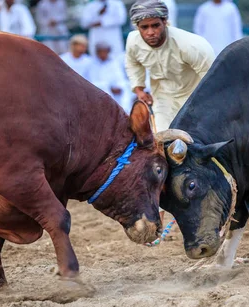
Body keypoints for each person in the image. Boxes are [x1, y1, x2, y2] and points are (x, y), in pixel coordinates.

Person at [126, 0, 215, 225]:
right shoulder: (133, 42)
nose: (150, 32)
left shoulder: (192, 45)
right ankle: (160, 206)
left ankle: (208, 197)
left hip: (196, 99)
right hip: (162, 98)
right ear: (137, 27)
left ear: (165, 22)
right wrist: (138, 88)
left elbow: (213, 77)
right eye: (144, 27)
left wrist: (205, 107)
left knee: (195, 150)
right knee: (162, 151)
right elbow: (133, 63)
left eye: (155, 25)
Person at [88, 42, 131, 112]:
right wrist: (109, 87)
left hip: (115, 89)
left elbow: (120, 77)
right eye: (101, 51)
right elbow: (92, 82)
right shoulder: (92, 64)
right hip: (101, 90)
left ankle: (125, 112)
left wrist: (118, 86)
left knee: (125, 86)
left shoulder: (113, 62)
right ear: (97, 52)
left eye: (105, 51)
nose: (103, 54)